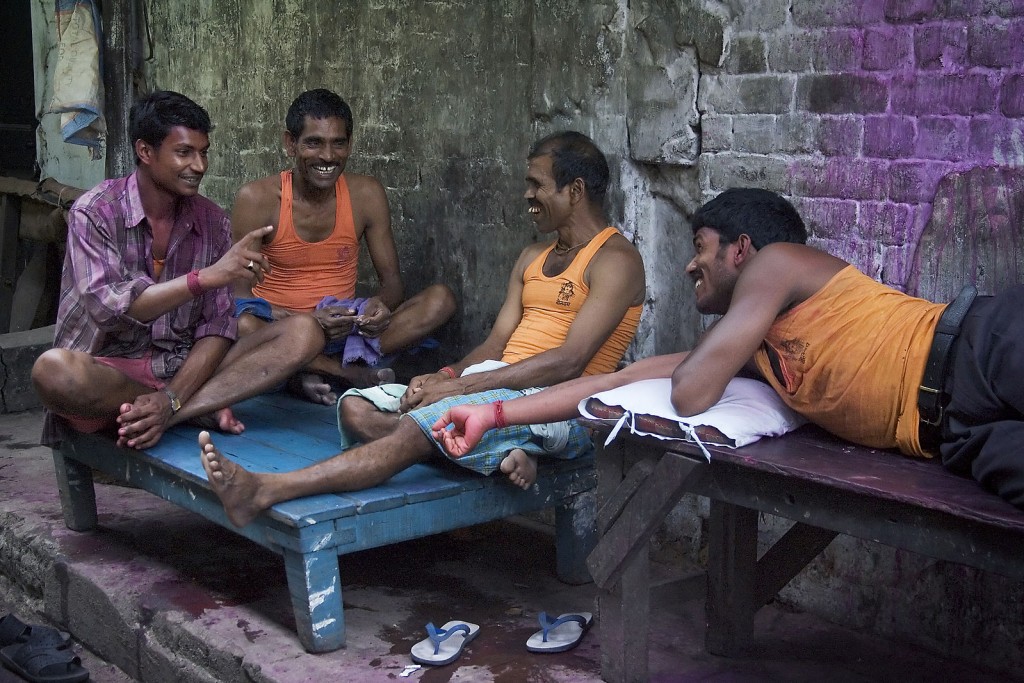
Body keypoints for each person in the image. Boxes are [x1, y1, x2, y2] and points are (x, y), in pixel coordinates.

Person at [431, 187, 1024, 510]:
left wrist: (712, 358)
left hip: (981, 348)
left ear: (741, 251)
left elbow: (689, 393)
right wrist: (491, 412)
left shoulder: (777, 263)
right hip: (955, 435)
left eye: (701, 245)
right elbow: (620, 379)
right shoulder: (752, 347)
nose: (690, 263)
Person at [198, 130, 647, 527]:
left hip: (559, 406)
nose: (527, 195)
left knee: (420, 428)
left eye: (537, 185)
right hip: (498, 384)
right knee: (355, 408)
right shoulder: (533, 256)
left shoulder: (615, 260)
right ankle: (492, 454)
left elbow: (570, 361)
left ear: (576, 190)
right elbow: (495, 343)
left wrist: (462, 393)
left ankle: (267, 489)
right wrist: (446, 377)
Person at [33, 91, 327, 450]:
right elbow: (109, 310)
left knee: (303, 331)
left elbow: (217, 329)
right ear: (145, 152)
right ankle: (193, 408)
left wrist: (170, 399)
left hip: (184, 372)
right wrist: (203, 278)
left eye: (203, 152)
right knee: (53, 372)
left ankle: (173, 412)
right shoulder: (94, 212)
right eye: (184, 152)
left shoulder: (213, 221)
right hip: (111, 371)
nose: (199, 166)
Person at [230, 89, 457, 404]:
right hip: (279, 332)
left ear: (349, 144)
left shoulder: (366, 195)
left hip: (345, 333)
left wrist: (378, 309)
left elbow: (392, 285)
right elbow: (238, 296)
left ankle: (305, 371)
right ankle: (344, 374)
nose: (327, 156)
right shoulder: (256, 199)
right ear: (289, 143)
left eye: (338, 143)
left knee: (439, 300)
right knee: (242, 325)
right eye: (314, 143)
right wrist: (306, 323)